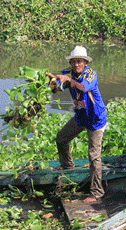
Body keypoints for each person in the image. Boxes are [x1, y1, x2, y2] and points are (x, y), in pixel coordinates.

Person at [46, 46, 108, 204]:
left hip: (95, 117)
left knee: (94, 156)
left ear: (86, 62)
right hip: (81, 115)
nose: (76, 64)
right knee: (61, 138)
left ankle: (96, 192)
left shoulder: (91, 74)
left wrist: (68, 80)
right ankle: (68, 166)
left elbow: (82, 87)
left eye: (79, 61)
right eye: (73, 61)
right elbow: (56, 90)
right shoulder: (68, 73)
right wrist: (53, 81)